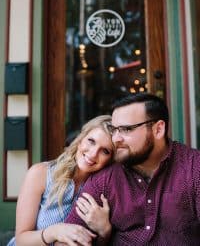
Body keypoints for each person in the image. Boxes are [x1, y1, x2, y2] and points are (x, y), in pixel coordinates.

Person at [62, 93, 200, 245]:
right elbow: (67, 239)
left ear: (158, 130)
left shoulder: (194, 168)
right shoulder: (106, 177)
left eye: (126, 129)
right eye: (115, 130)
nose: (116, 139)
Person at [7, 115, 114, 246]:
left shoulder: (104, 189)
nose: (93, 154)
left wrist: (105, 232)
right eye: (91, 141)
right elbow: (21, 240)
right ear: (80, 140)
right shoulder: (40, 173)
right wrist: (54, 231)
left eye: (105, 151)